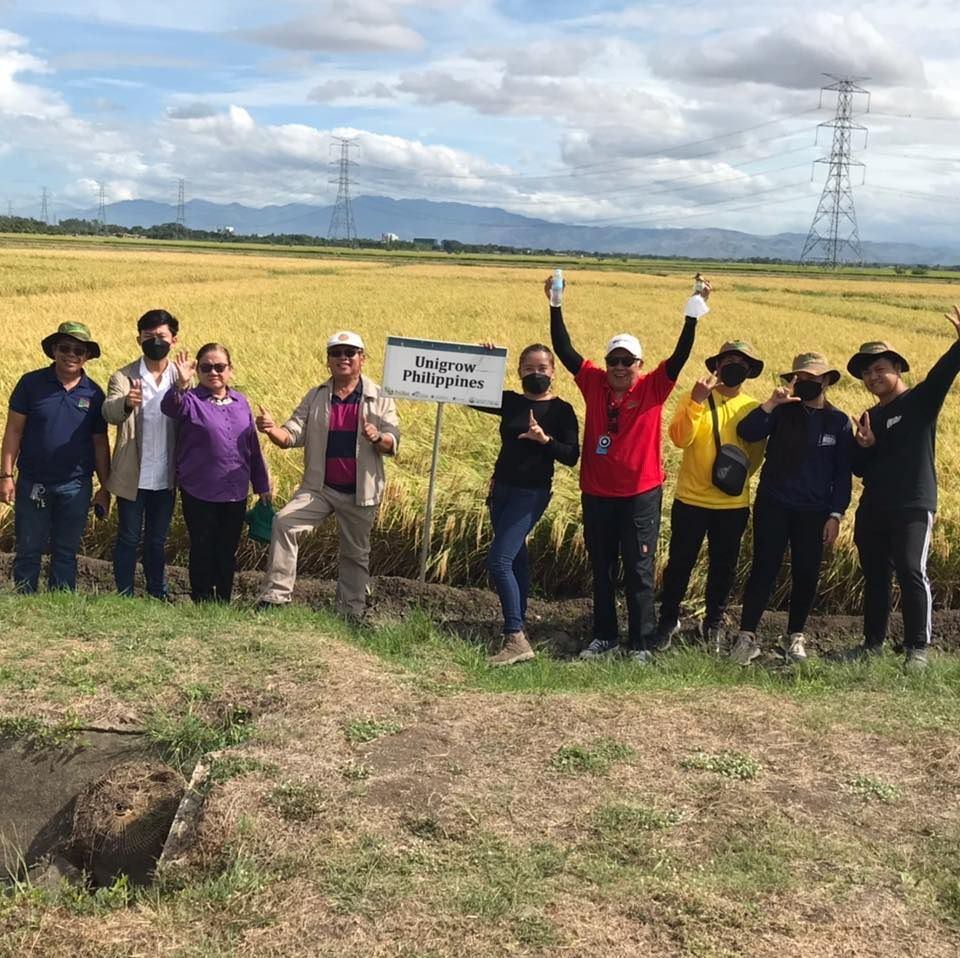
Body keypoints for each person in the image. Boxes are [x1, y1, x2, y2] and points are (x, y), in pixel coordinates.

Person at [548, 276, 708, 660]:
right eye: (613, 360)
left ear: (640, 364)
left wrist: (692, 315)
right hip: (597, 493)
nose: (619, 368)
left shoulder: (654, 387)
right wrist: (555, 303)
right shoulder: (593, 383)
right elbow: (564, 349)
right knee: (601, 568)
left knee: (639, 569)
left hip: (640, 495)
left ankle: (641, 642)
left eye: (627, 361)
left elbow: (682, 354)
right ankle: (604, 635)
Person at [841, 306, 960, 670]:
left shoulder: (920, 402)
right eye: (867, 372)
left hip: (912, 503)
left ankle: (917, 648)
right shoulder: (870, 417)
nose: (872, 376)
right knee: (875, 574)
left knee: (911, 570)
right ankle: (873, 643)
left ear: (897, 370)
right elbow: (861, 469)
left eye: (880, 369)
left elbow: (944, 374)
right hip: (874, 506)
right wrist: (864, 446)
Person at [255, 331, 399, 620]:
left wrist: (377, 436)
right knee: (284, 522)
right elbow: (292, 433)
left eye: (350, 352)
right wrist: (272, 430)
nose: (343, 358)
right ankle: (276, 597)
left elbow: (393, 441)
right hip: (319, 487)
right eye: (336, 353)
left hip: (361, 490)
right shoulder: (317, 395)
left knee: (355, 553)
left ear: (362, 358)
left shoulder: (379, 396)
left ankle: (350, 612)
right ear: (328, 360)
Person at [730, 352, 853, 665]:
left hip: (814, 511)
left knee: (807, 572)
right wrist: (771, 403)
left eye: (813, 378)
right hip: (773, 503)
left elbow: (842, 474)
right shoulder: (783, 412)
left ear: (826, 381)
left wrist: (836, 513)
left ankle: (794, 635)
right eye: (800, 378)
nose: (806, 384)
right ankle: (747, 636)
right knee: (763, 568)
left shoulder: (837, 422)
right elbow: (748, 431)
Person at [653, 340, 766, 653]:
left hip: (732, 504)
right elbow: (679, 438)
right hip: (690, 499)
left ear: (749, 371)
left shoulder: (752, 408)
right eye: (729, 360)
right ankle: (668, 618)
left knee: (724, 567)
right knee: (679, 563)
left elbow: (755, 456)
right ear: (716, 366)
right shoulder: (695, 397)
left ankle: (713, 621)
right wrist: (697, 402)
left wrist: (732, 482)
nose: (734, 366)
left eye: (742, 363)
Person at [473, 343, 580, 666]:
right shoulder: (509, 401)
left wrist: (544, 440)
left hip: (530, 495)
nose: (536, 374)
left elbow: (572, 456)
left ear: (553, 372)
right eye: (530, 368)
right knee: (516, 561)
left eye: (543, 368)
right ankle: (519, 626)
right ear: (519, 371)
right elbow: (467, 392)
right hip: (501, 490)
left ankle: (515, 636)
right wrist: (485, 360)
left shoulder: (562, 410)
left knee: (499, 561)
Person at [0, 322, 110, 592]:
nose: (71, 354)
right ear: (53, 350)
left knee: (66, 550)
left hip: (76, 484)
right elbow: (13, 429)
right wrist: (5, 475)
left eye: (79, 350)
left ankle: (60, 600)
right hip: (33, 482)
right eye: (65, 348)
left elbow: (100, 443)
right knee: (28, 546)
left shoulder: (94, 393)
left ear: (86, 356)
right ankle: (25, 599)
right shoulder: (31, 383)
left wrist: (106, 488)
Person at [161, 344, 271, 602]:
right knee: (202, 546)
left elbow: (252, 446)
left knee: (227, 548)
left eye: (219, 367)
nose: (213, 372)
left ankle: (223, 597)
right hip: (199, 489)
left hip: (235, 490)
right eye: (206, 367)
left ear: (230, 370)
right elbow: (170, 407)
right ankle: (201, 597)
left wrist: (262, 484)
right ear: (197, 371)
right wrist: (180, 384)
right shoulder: (190, 400)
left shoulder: (241, 401)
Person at [102, 309, 180, 599]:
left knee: (158, 541)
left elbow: (194, 416)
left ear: (174, 339)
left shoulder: (182, 376)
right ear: (139, 339)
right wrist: (126, 403)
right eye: (149, 337)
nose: (155, 341)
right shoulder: (124, 376)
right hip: (133, 474)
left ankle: (157, 593)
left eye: (161, 336)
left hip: (166, 475)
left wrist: (184, 386)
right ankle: (124, 594)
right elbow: (108, 412)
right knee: (128, 537)